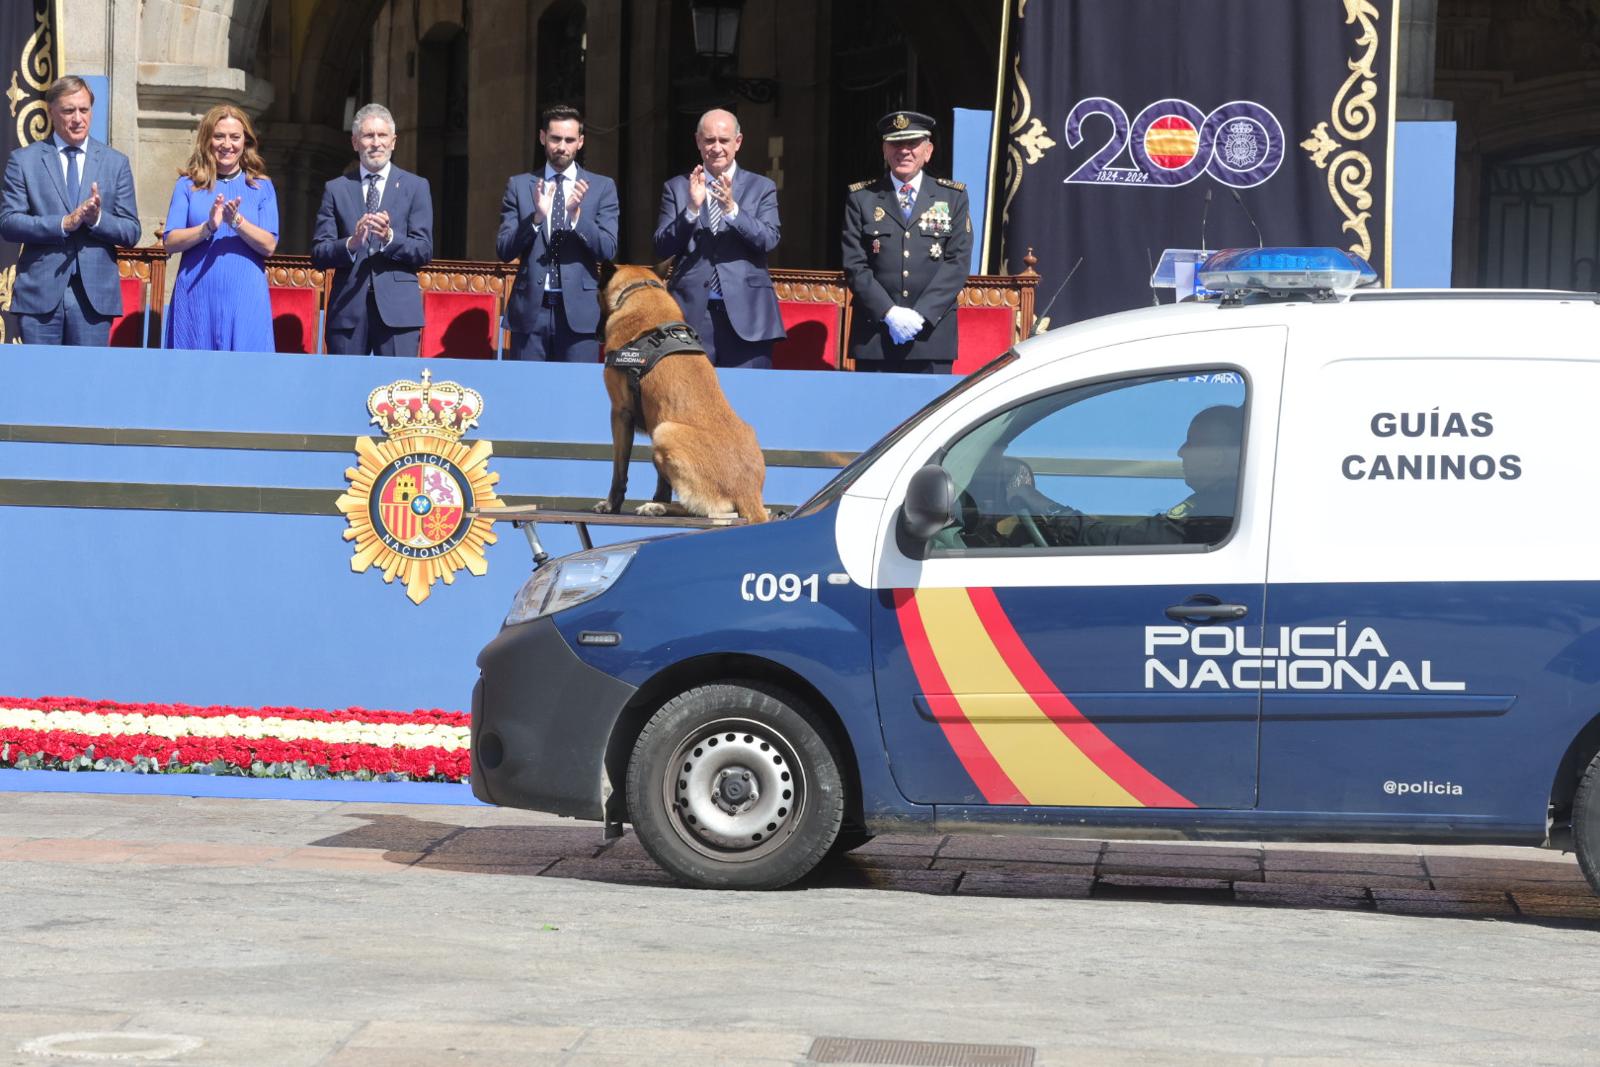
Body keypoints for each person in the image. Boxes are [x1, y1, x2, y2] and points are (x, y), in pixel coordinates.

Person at [0, 75, 141, 346]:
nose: (78, 118)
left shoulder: (115, 163)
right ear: (51, 112)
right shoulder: (24, 161)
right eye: (68, 110)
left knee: (87, 384)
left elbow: (131, 230)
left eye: (84, 110)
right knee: (40, 381)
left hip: (94, 298)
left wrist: (97, 219)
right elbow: (9, 222)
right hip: (39, 295)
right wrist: (63, 223)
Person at [1000, 405, 1245, 547]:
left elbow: (1123, 542)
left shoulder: (1215, 508)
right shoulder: (1225, 501)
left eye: (1192, 443)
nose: (1181, 451)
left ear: (1217, 457)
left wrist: (1048, 508)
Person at [841, 109, 972, 374]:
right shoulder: (862, 198)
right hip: (876, 334)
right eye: (896, 144)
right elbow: (854, 264)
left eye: (912, 144)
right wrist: (889, 313)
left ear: (928, 151)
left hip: (932, 334)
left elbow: (957, 263)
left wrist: (921, 314)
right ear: (884, 150)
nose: (904, 151)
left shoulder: (952, 197)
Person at [653, 108, 785, 369]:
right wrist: (691, 210)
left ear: (737, 142)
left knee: (748, 402)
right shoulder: (677, 187)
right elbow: (661, 246)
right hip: (690, 316)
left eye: (723, 141)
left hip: (748, 317)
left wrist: (733, 211)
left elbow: (769, 239)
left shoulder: (762, 187)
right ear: (698, 142)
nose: (716, 148)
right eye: (709, 140)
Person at [496, 104, 619, 362]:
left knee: (576, 395)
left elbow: (608, 249)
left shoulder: (601, 187)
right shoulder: (519, 185)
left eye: (569, 140)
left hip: (579, 313)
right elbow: (505, 249)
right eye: (555, 138)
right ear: (543, 138)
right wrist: (536, 218)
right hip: (530, 312)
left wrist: (577, 218)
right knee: (528, 393)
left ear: (580, 142)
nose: (562, 146)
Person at [311, 103, 432, 356]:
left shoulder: (416, 186)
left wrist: (389, 238)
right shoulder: (337, 188)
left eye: (382, 135)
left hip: (398, 313)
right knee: (345, 390)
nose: (376, 143)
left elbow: (423, 251)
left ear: (393, 141)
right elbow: (319, 253)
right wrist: (351, 243)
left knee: (398, 391)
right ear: (355, 143)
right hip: (348, 310)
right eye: (368, 136)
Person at [161, 105, 278, 352]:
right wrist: (208, 228)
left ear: (245, 141)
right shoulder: (187, 185)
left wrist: (237, 222)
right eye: (219, 136)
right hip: (196, 294)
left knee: (245, 378)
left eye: (235, 137)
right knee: (193, 378)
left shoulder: (262, 187)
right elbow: (170, 241)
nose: (227, 144)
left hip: (244, 297)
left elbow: (269, 245)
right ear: (207, 140)